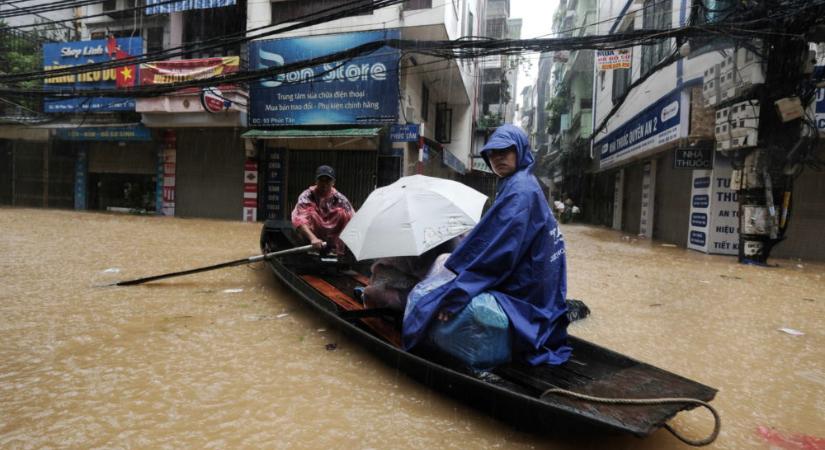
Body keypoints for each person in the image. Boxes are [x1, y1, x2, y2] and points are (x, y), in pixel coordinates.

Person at [402, 125, 571, 366]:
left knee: (431, 303)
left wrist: (456, 296)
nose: (498, 158)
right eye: (492, 153)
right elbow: (495, 238)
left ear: (520, 151)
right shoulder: (522, 184)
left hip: (527, 293)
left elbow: (498, 255)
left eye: (505, 151)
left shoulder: (520, 191)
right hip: (542, 292)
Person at [291, 165, 354, 255]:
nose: (324, 184)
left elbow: (353, 217)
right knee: (312, 214)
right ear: (316, 181)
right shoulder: (307, 196)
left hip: (332, 239)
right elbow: (299, 219)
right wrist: (313, 238)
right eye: (321, 180)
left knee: (343, 213)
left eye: (328, 181)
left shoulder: (339, 198)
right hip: (312, 239)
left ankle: (337, 248)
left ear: (333, 182)